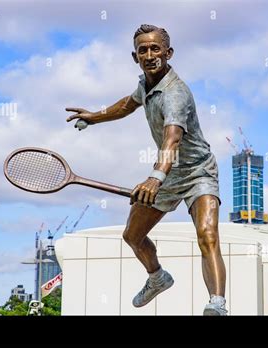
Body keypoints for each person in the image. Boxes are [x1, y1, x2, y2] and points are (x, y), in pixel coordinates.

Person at [66, 24, 227, 315]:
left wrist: (155, 177)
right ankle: (157, 277)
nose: (150, 54)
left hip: (196, 172)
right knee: (132, 236)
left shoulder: (175, 94)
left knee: (208, 234)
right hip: (167, 175)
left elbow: (172, 138)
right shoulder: (146, 85)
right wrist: (94, 117)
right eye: (143, 50)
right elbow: (128, 104)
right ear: (135, 56)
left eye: (156, 48)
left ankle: (217, 304)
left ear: (169, 53)